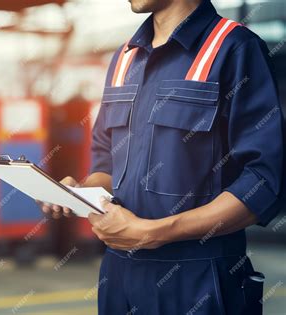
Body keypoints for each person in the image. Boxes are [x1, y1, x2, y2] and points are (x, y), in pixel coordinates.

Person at [41, 0, 284, 314]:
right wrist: (81, 193)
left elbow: (264, 180)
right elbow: (106, 164)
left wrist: (153, 233)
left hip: (199, 281)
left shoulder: (234, 48)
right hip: (119, 278)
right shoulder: (125, 57)